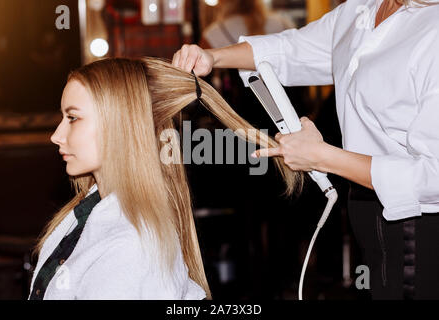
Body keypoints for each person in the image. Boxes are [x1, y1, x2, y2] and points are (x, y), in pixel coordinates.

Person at [173, 0, 439, 299]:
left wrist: (323, 156)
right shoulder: (363, 8)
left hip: (419, 223)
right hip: (366, 205)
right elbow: (292, 49)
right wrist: (212, 57)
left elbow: (433, 176)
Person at [28, 57, 303, 300]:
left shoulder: (131, 246)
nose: (56, 135)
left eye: (73, 118)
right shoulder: (90, 214)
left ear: (119, 123)